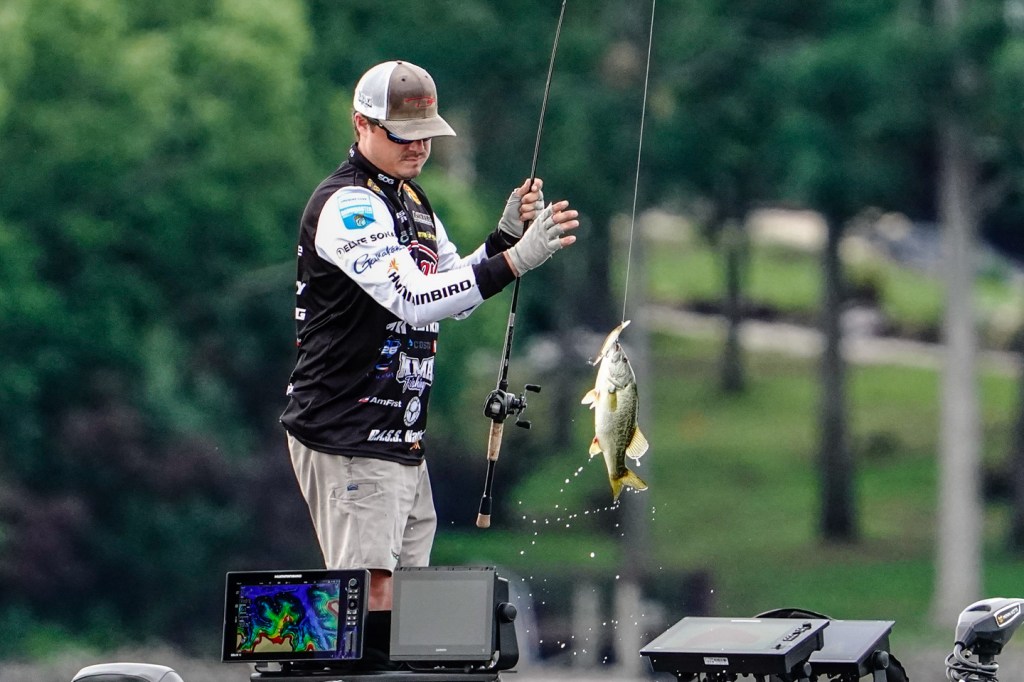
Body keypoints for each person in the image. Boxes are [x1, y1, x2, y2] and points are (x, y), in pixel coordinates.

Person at [279, 60, 579, 667]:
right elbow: (413, 300)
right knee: (371, 591)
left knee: (408, 596)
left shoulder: (413, 201)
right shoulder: (348, 205)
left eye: (427, 136)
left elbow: (449, 293)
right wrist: (515, 262)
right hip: (348, 430)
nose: (418, 148)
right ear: (361, 125)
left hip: (400, 437)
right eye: (403, 135)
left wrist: (500, 241)